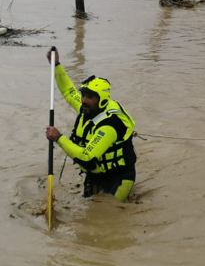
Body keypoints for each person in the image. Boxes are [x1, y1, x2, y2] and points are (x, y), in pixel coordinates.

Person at [45, 46, 137, 202]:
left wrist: (59, 138)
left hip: (119, 178)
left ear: (101, 100)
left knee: (109, 216)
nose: (84, 100)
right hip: (96, 174)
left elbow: (87, 158)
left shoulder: (109, 125)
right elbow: (68, 91)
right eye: (83, 95)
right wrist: (56, 65)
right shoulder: (87, 108)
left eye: (90, 97)